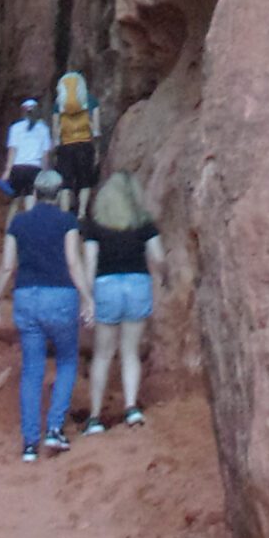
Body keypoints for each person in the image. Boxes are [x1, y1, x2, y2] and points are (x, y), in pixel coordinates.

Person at [0, 167, 95, 460]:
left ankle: (30, 443)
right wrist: (87, 298)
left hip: (26, 297)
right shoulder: (67, 221)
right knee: (67, 360)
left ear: (34, 193)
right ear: (59, 195)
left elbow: (8, 266)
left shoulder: (19, 223)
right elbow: (73, 262)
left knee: (32, 369)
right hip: (60, 296)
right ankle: (55, 429)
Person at [80, 170, 164, 431]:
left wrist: (87, 298)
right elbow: (158, 257)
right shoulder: (144, 223)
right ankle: (131, 409)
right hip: (138, 284)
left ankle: (94, 417)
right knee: (130, 352)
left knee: (103, 354)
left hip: (107, 286)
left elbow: (90, 262)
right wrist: (164, 277)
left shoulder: (94, 226)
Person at [51, 70, 100, 215]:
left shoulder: (59, 103)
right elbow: (96, 130)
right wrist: (97, 150)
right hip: (85, 144)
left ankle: (65, 212)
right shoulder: (91, 100)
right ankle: (82, 213)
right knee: (85, 180)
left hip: (66, 145)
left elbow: (55, 129)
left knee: (65, 182)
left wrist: (55, 148)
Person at [1, 95, 50, 205]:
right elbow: (45, 154)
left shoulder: (15, 128)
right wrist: (45, 173)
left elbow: (12, 151)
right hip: (35, 168)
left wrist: (7, 171)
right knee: (31, 198)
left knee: (14, 201)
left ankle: (11, 222)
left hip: (18, 168)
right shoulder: (44, 129)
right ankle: (31, 221)